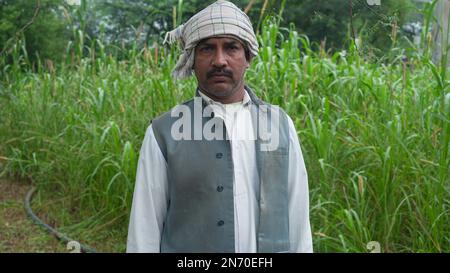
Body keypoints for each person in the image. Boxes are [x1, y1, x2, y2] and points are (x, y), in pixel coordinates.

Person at [126, 0, 312, 253]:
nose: (219, 60)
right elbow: (144, 228)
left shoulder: (280, 125)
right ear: (192, 61)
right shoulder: (163, 133)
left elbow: (298, 218)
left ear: (247, 57)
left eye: (231, 47)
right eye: (207, 49)